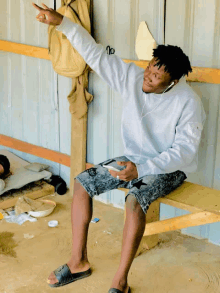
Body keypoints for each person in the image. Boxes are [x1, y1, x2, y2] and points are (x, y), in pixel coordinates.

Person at [32, 3, 206, 293]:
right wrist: (62, 22)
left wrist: (143, 168)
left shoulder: (188, 102)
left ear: (173, 82)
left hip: (169, 167)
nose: (146, 79)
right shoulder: (133, 79)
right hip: (134, 159)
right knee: (82, 184)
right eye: (149, 69)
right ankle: (78, 262)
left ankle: (120, 282)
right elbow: (98, 54)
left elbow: (185, 152)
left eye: (155, 78)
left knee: (133, 200)